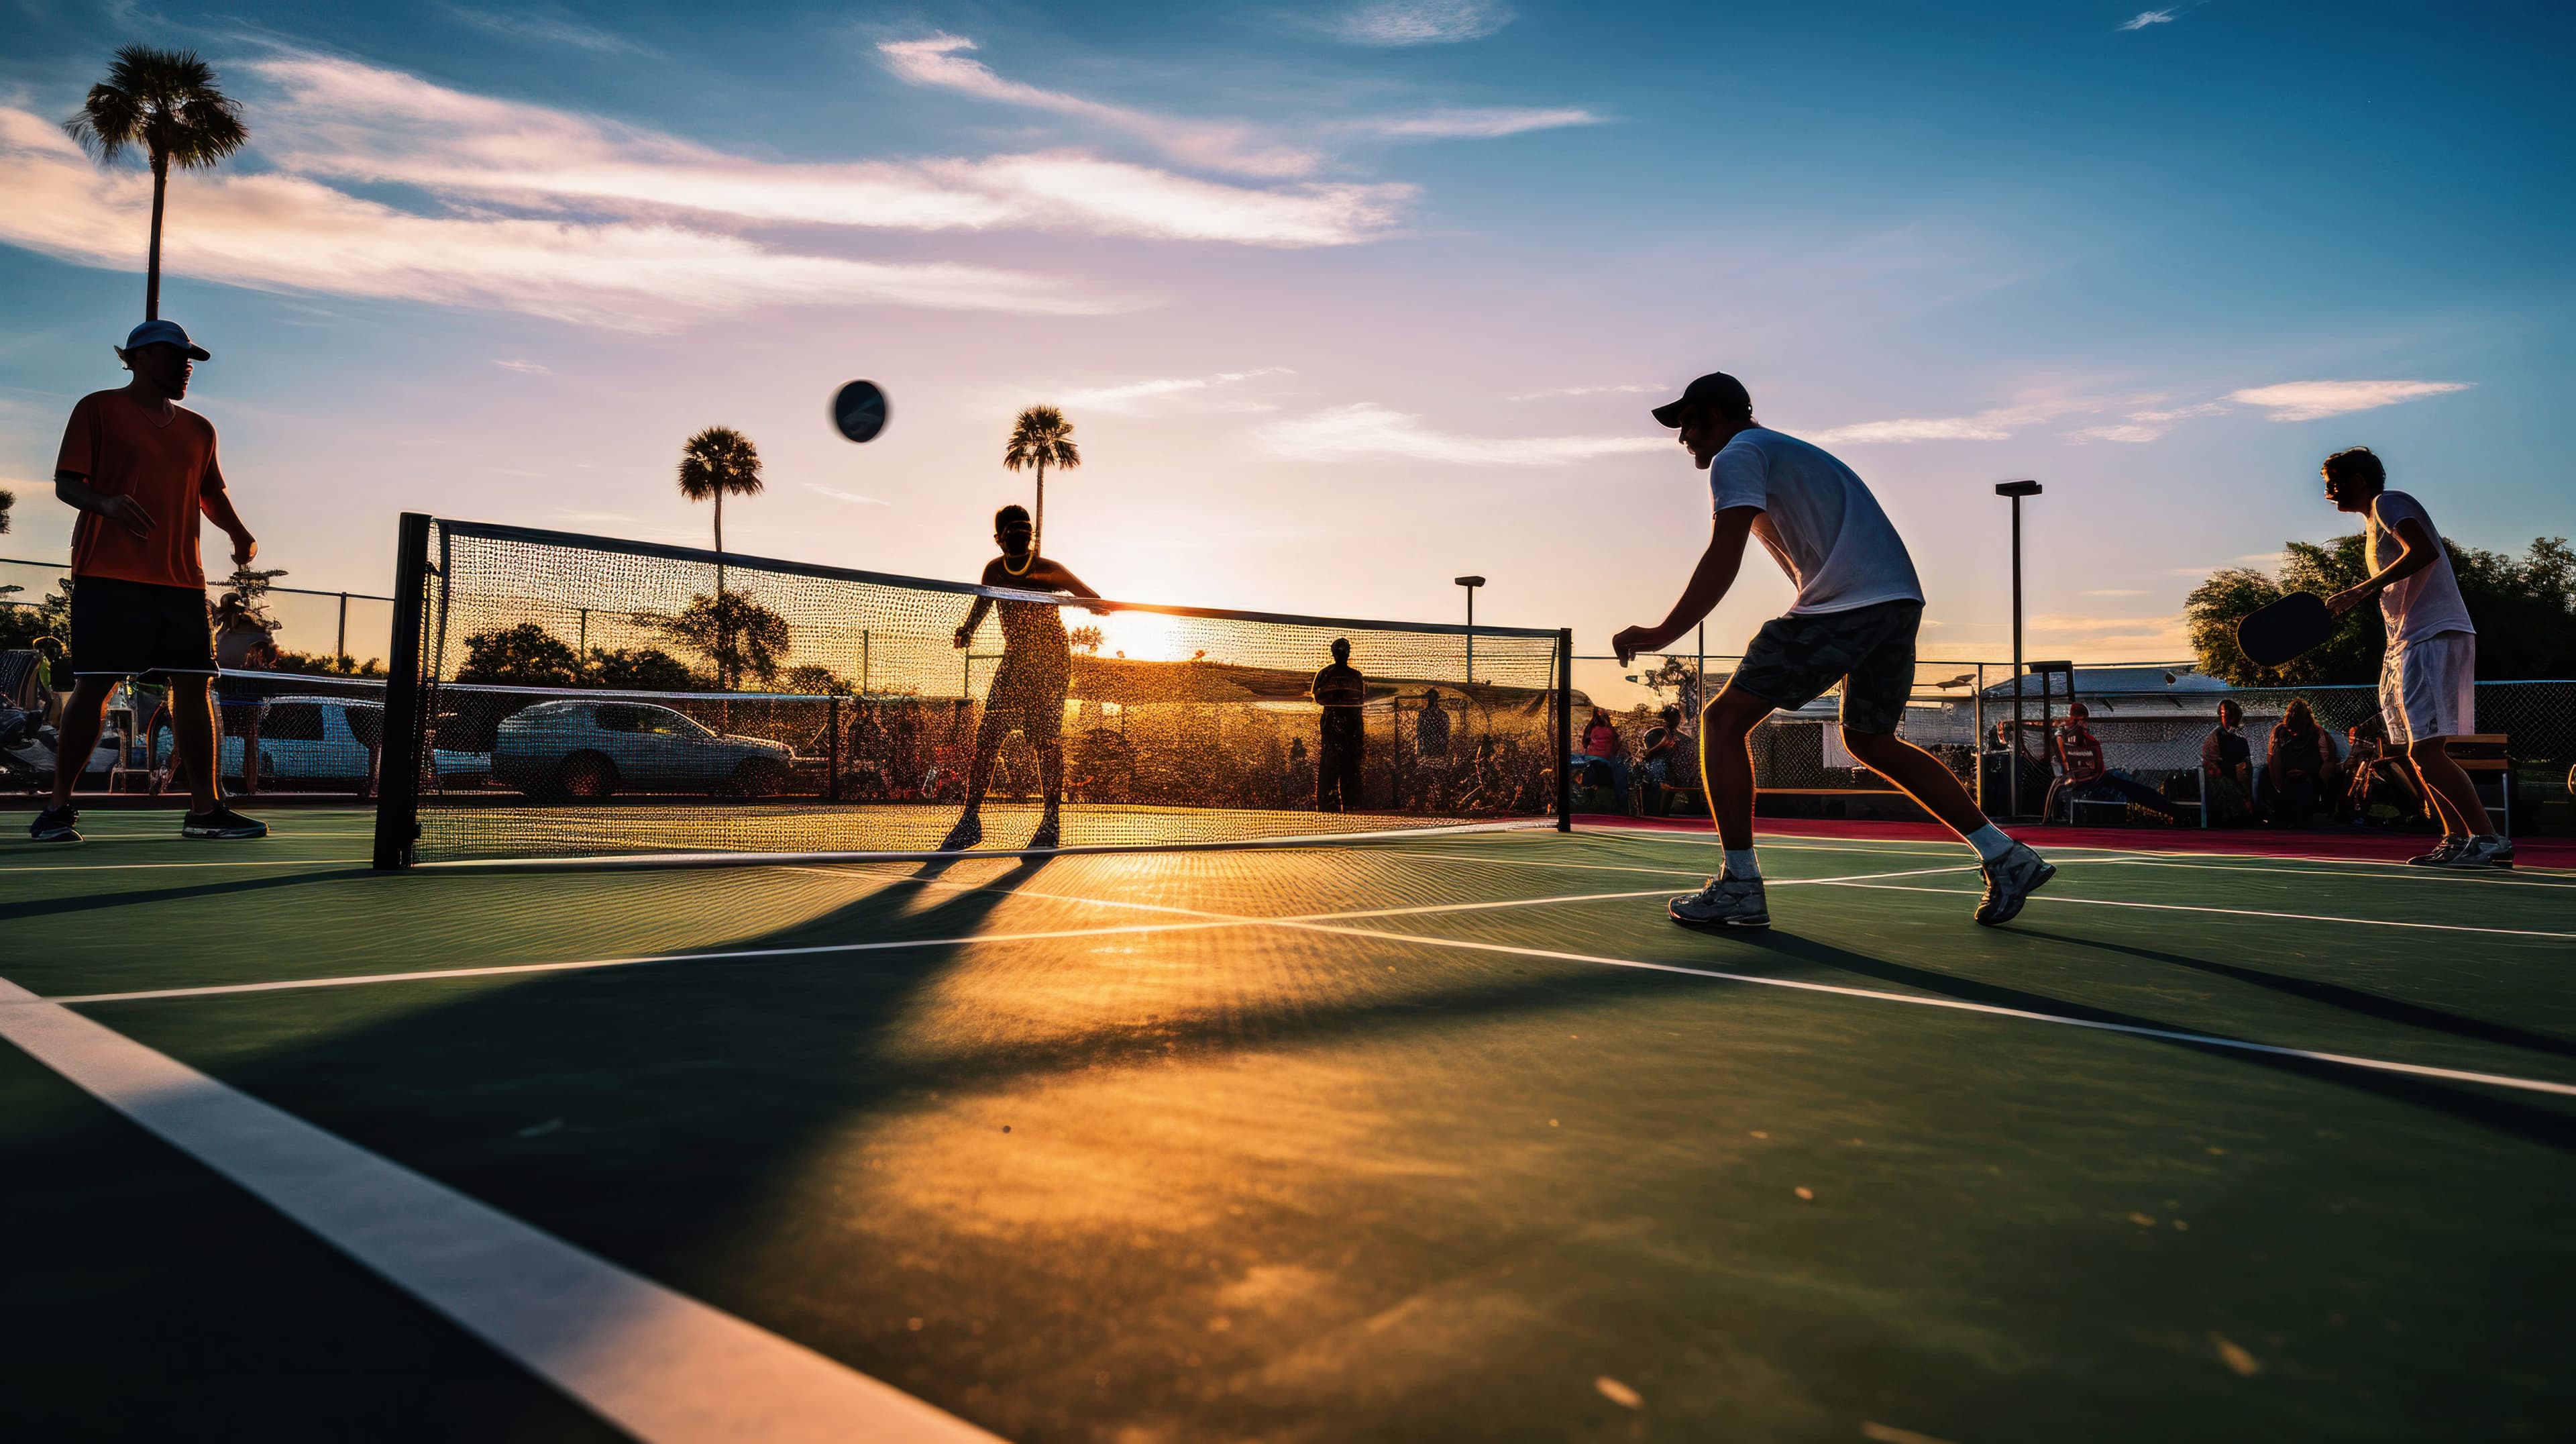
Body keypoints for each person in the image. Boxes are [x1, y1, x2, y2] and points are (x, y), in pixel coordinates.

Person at [1613, 371, 2052, 927]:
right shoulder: (1784, 449)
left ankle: (1741, 885)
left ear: (1719, 418)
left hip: (1848, 604)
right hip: (1897, 602)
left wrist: (1659, 633)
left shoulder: (1739, 454)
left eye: (1690, 424)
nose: (1683, 439)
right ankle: (2004, 855)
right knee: (1868, 738)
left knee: (1723, 722)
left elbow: (1724, 555)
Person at [30, 320, 263, 842]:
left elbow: (211, 495)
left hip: (181, 583)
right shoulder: (98, 408)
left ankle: (205, 811)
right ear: (136, 359)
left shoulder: (200, 429)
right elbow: (68, 485)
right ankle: (58, 808)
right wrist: (107, 504)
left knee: (193, 685)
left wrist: (241, 533)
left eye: (189, 360)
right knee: (96, 685)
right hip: (107, 575)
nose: (185, 367)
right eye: (172, 356)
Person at [2318, 446, 2507, 866]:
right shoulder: (2373, 522)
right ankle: (2457, 839)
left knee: (2426, 751)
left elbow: (2424, 552)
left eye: (2334, 480)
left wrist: (2360, 590)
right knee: (2413, 750)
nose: (2328, 490)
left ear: (2360, 481)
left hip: (2432, 634)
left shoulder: (2389, 502)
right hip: (2407, 641)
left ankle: (2490, 839)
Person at [940, 504, 1101, 852]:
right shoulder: (994, 572)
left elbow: (1091, 596)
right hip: (1015, 662)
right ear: (999, 540)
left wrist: (1095, 604)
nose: (1018, 538)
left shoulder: (1049, 570)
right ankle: (970, 819)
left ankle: (1051, 821)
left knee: (1046, 741)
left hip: (1050, 663)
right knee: (988, 738)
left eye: (1023, 533)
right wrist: (967, 630)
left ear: (1031, 536)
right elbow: (982, 605)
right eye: (1012, 534)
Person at [2041, 702, 2184, 825]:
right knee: (2124, 784)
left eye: (2085, 721)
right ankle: (2175, 811)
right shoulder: (2060, 739)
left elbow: (2093, 764)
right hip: (2079, 782)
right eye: (2081, 721)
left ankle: (2175, 811)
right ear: (2071, 721)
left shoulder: (2084, 739)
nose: (2085, 725)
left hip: (2092, 779)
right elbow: (2067, 764)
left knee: (2127, 783)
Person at [211, 590, 278, 797]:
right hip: (223, 694)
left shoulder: (253, 631)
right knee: (216, 741)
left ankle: (251, 790)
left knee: (251, 740)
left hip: (247, 696)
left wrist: (258, 662)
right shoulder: (219, 632)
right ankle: (217, 789)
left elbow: (270, 651)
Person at [1311, 638, 1366, 811]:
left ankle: (1346, 811)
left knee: (1341, 775)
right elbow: (1318, 697)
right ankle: (1336, 810)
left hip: (1343, 733)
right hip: (1336, 734)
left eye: (1344, 650)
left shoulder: (1335, 674)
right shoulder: (1333, 674)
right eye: (1340, 650)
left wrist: (1359, 736)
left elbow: (1359, 707)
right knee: (1334, 775)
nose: (1342, 654)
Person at [2265, 697, 2333, 828]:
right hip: (2288, 780)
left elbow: (2328, 762)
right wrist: (2278, 784)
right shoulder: (2279, 731)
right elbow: (2273, 759)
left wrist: (2317, 783)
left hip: (2308, 780)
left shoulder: (2318, 733)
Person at [2200, 699, 2257, 825]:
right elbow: (2213, 767)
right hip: (2224, 790)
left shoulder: (2235, 740)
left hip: (2231, 786)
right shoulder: (2217, 739)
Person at [1640, 703, 1693, 817]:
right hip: (1661, 765)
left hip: (1663, 766)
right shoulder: (1663, 731)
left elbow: (1665, 743)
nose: (1678, 721)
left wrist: (1650, 752)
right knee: (1660, 789)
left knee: (1662, 790)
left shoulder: (1669, 733)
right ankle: (1658, 813)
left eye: (1678, 718)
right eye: (1676, 718)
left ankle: (1659, 813)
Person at [1574, 706, 1629, 805]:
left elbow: (1585, 743)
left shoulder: (1592, 727)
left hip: (1593, 760)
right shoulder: (1610, 729)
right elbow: (1615, 747)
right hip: (1604, 762)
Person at [1412, 687, 1453, 809]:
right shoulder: (1442, 715)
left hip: (1430, 752)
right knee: (1435, 777)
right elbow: (1445, 735)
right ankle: (1438, 802)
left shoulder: (1424, 715)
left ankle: (1426, 803)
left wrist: (1420, 751)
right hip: (1435, 751)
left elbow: (1420, 735)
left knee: (1428, 778)